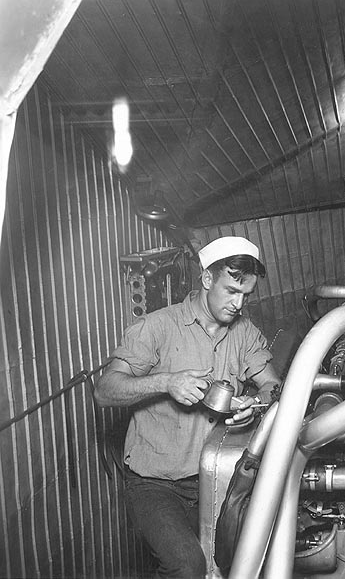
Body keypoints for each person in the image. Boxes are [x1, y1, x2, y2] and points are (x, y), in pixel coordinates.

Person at [94, 236, 281, 578]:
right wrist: (166, 382)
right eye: (231, 291)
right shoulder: (156, 327)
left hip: (216, 480)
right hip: (155, 484)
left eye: (246, 295)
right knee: (187, 565)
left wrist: (255, 403)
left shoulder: (244, 333)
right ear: (207, 279)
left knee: (241, 562)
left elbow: (273, 385)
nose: (239, 304)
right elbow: (104, 391)